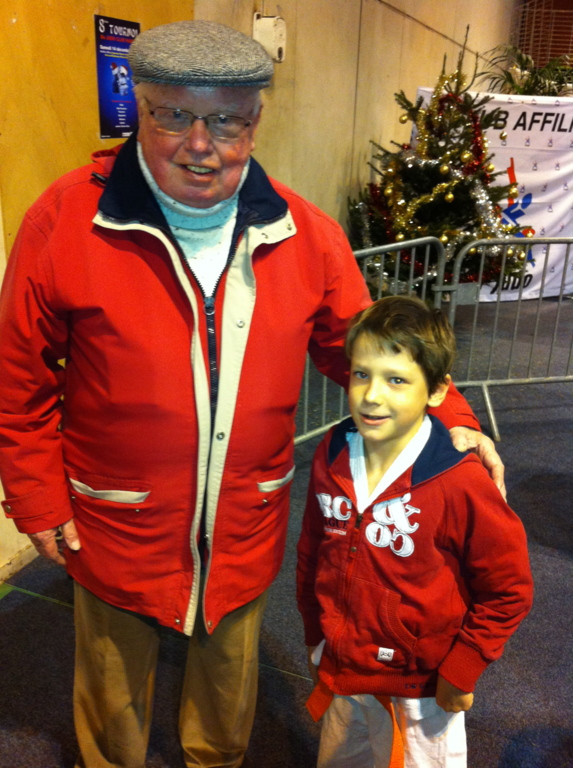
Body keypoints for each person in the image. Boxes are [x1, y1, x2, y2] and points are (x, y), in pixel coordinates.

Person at [0, 19, 504, 768]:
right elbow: (20, 376)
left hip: (244, 523)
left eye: (227, 122)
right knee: (110, 699)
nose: (200, 145)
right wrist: (37, 496)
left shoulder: (307, 235)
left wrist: (454, 420)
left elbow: (371, 352)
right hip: (114, 522)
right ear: (140, 107)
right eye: (175, 115)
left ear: (256, 121)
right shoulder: (67, 220)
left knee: (225, 710)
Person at [296, 296, 534, 768]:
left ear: (437, 390)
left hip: (422, 692)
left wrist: (462, 669)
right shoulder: (332, 453)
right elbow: (312, 550)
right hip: (344, 670)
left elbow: (509, 588)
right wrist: (315, 632)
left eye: (396, 380)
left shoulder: (459, 481)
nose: (371, 395)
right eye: (361, 374)